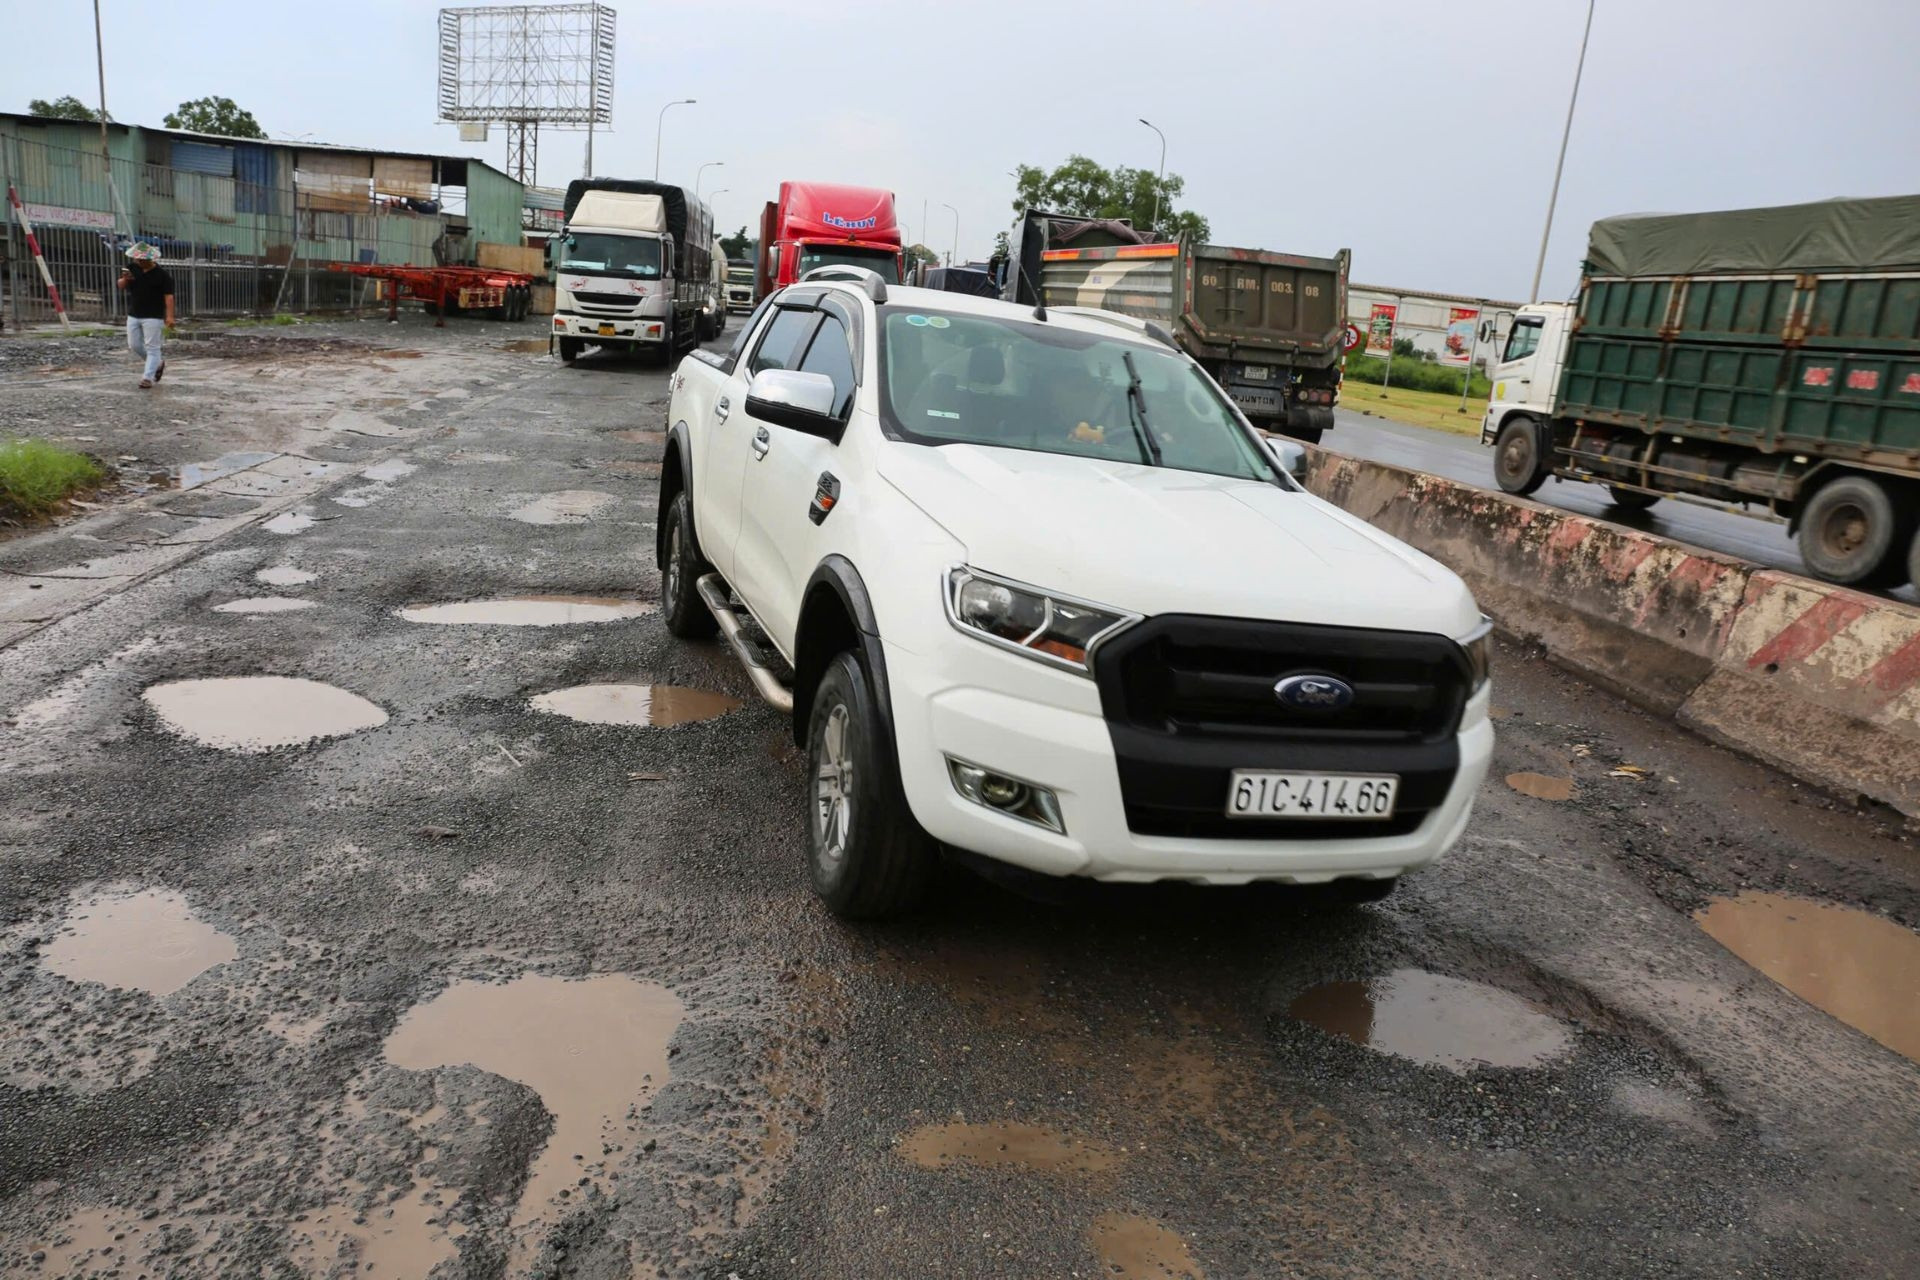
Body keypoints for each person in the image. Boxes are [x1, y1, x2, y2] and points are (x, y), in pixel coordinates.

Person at [118, 242, 174, 388]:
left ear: (150, 259)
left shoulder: (162, 276)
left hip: (153, 316)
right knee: (134, 345)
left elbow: (169, 297)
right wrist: (125, 279)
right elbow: (121, 285)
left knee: (153, 347)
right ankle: (158, 363)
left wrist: (170, 316)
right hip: (134, 314)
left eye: (141, 260)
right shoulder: (131, 269)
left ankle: (147, 378)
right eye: (137, 259)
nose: (138, 262)